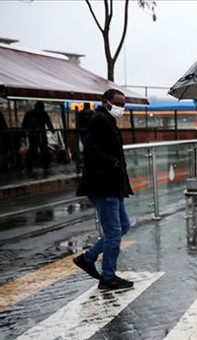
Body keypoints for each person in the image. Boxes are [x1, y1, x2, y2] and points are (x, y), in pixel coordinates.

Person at [73, 89, 135, 290]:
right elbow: (92, 151)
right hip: (104, 186)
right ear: (106, 102)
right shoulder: (100, 120)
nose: (121, 108)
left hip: (113, 186)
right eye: (118, 103)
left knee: (123, 225)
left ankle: (88, 258)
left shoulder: (107, 120)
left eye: (124, 104)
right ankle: (108, 277)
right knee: (115, 232)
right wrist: (114, 164)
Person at [21, 101, 54, 170]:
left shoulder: (29, 113)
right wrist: (52, 130)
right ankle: (46, 164)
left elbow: (24, 124)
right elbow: (48, 122)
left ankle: (29, 165)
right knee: (44, 149)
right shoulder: (43, 113)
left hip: (32, 134)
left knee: (32, 149)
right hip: (41, 133)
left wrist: (23, 133)